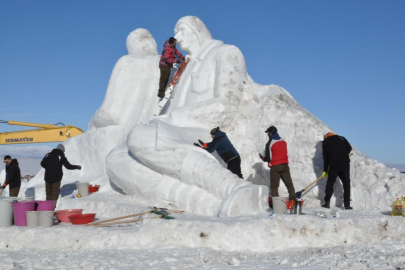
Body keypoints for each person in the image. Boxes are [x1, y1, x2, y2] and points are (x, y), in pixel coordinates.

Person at [260, 126, 296, 200]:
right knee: (289, 184)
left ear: (270, 133)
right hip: (285, 165)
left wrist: (262, 157)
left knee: (274, 186)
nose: (267, 134)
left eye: (268, 133)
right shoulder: (283, 141)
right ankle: (293, 200)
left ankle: (276, 205)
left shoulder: (270, 143)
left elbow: (268, 158)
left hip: (275, 167)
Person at [321, 131, 353, 210]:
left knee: (330, 183)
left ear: (325, 136)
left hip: (334, 165)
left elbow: (326, 158)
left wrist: (325, 170)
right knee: (346, 184)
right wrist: (344, 154)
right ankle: (347, 205)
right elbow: (349, 148)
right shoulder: (341, 138)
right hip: (345, 163)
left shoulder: (325, 143)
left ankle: (327, 202)